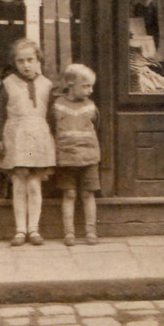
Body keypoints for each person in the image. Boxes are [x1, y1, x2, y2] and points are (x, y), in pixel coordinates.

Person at [0, 37, 55, 246]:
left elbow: (52, 116)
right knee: (18, 182)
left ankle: (33, 229)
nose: (26, 65)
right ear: (14, 62)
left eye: (30, 60)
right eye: (21, 61)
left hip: (38, 136)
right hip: (15, 135)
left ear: (38, 61)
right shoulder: (8, 84)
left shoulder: (47, 85)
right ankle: (20, 230)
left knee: (34, 184)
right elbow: (0, 114)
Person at [50, 63, 101, 246]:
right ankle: (69, 232)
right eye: (86, 86)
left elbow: (97, 126)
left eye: (91, 86)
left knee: (88, 193)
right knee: (69, 194)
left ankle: (90, 231)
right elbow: (52, 127)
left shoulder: (91, 107)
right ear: (70, 84)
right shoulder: (57, 106)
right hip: (66, 158)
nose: (90, 90)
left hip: (88, 158)